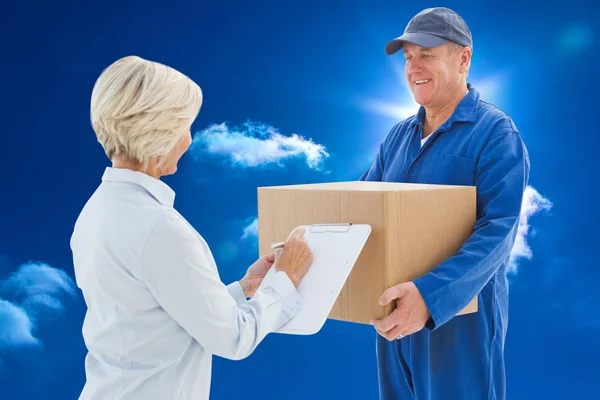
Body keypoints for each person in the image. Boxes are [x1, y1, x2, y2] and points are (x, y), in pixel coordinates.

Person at [70, 55, 314, 400]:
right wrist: (287, 277)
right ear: (161, 135)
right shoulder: (160, 229)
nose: (188, 138)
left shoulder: (97, 211)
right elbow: (234, 338)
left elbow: (153, 316)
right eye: (185, 126)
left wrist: (242, 288)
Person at [360, 7, 530, 400]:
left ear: (463, 58)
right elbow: (361, 207)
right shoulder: (398, 137)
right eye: (408, 58)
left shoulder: (494, 133)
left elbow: (498, 231)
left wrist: (430, 296)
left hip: (459, 324)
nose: (414, 67)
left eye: (427, 54)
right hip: (394, 319)